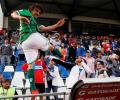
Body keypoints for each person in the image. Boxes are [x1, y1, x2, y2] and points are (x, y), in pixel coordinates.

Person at [11, 3, 65, 94]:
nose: (38, 13)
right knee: (49, 45)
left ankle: (33, 88)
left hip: (25, 44)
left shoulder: (35, 24)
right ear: (31, 9)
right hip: (30, 36)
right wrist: (21, 18)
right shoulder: (26, 13)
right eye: (36, 10)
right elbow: (13, 14)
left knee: (31, 65)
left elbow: (46, 28)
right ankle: (61, 56)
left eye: (39, 12)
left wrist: (57, 25)